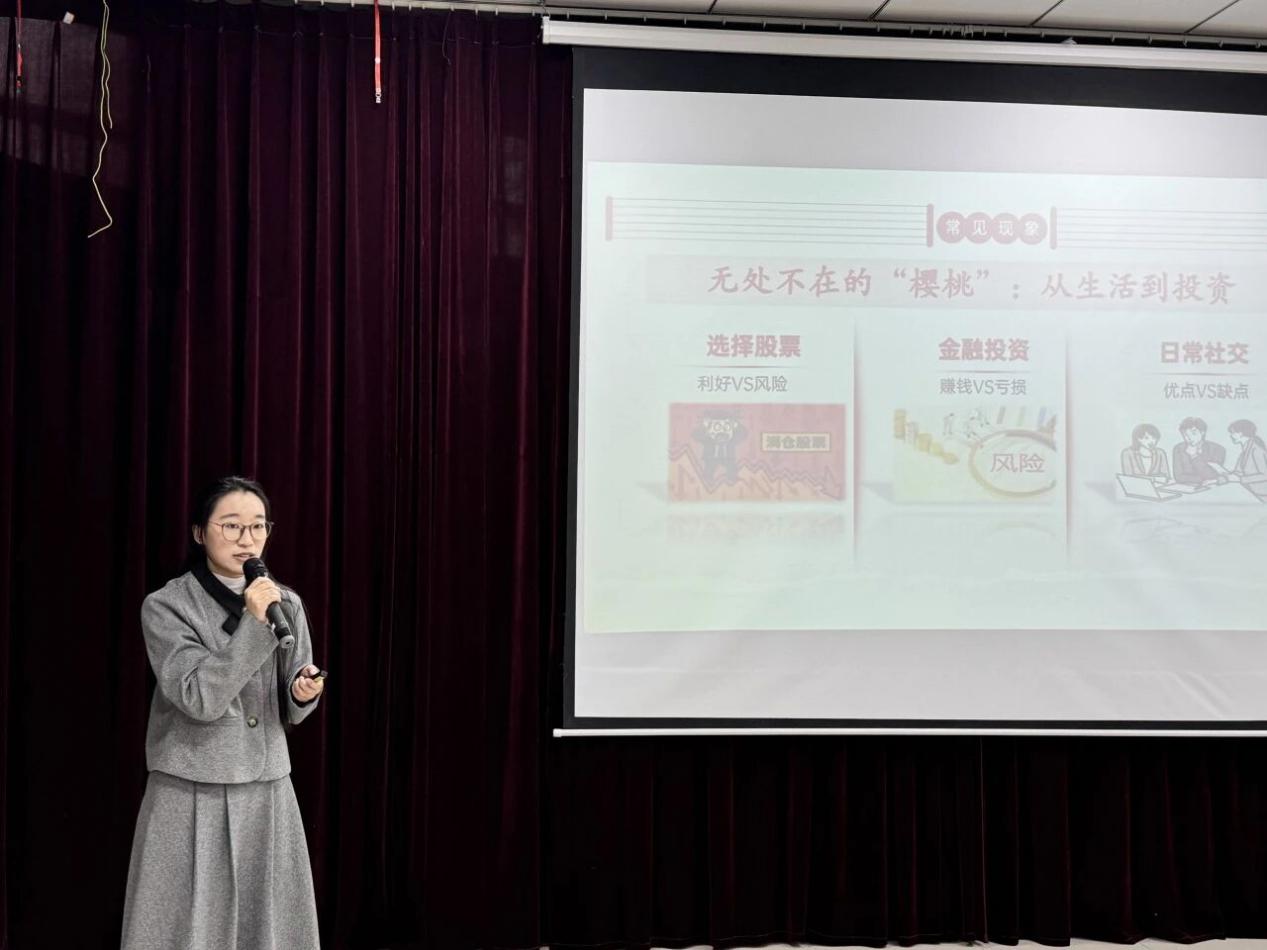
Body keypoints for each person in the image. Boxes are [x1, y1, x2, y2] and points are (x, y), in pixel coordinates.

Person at [121, 476, 325, 950]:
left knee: (268, 927)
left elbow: (291, 703)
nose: (245, 538)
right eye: (230, 525)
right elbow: (198, 697)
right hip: (191, 786)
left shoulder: (286, 603)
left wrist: (302, 692)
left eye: (257, 526)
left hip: (267, 787)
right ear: (200, 532)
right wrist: (253, 622)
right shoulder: (167, 606)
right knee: (184, 927)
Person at [1172, 417, 1226, 485]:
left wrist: (1194, 456)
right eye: (1185, 435)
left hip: (1210, 487)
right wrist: (1203, 479)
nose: (1189, 438)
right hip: (1186, 486)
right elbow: (1179, 477)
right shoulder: (1179, 449)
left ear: (1202, 432)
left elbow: (1212, 475)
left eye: (1193, 434)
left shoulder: (1217, 449)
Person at [1222, 419, 1267, 500]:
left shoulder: (1256, 449)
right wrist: (1227, 475)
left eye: (1232, 433)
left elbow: (1265, 475)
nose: (1231, 436)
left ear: (1241, 433)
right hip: (1250, 491)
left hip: (1261, 495)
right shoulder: (1245, 450)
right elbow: (1238, 471)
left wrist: (1240, 479)